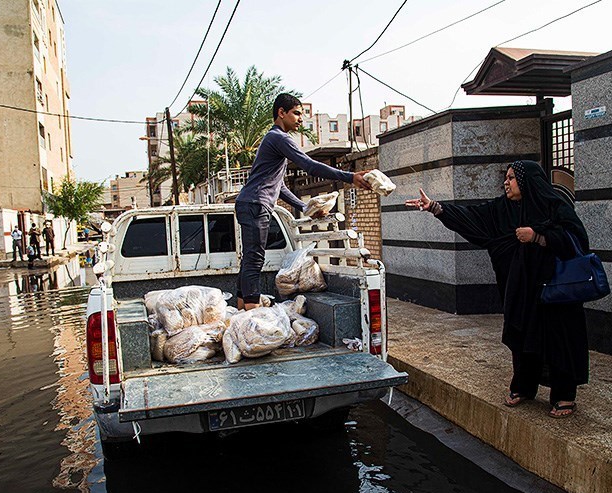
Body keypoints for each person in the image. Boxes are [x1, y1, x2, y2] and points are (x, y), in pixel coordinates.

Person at [404, 160, 590, 418]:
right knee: (521, 336)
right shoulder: (501, 210)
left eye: (512, 178)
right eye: (506, 177)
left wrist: (538, 237)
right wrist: (435, 208)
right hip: (520, 291)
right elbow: (472, 217)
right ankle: (524, 387)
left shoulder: (553, 206)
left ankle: (564, 395)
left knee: (557, 338)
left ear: (527, 182)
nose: (506, 182)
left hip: (555, 292)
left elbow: (577, 240)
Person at [234, 93, 373, 311]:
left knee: (250, 258)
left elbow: (279, 186)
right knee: (255, 259)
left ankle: (242, 308)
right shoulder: (279, 138)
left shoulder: (273, 140)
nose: (301, 119)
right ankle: (251, 316)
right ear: (281, 113)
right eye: (296, 113)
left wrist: (305, 208)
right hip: (256, 204)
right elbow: (309, 165)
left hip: (251, 203)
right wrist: (350, 177)